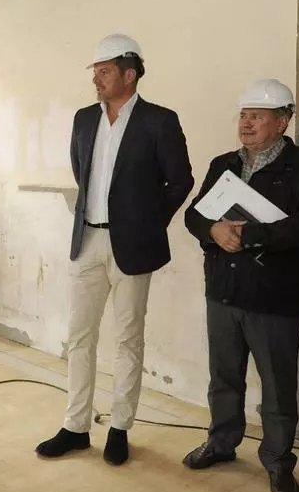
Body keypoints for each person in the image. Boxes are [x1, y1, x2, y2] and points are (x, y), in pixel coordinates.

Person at [37, 33, 194, 465]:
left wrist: (146, 223)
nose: (96, 79)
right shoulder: (84, 119)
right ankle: (75, 426)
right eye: (95, 72)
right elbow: (81, 171)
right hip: (87, 239)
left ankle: (120, 427)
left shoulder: (160, 121)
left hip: (133, 247)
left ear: (129, 74)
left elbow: (180, 180)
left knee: (128, 338)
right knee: (79, 336)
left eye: (104, 71)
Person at [181, 79, 299, 492]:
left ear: (282, 122)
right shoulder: (223, 164)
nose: (246, 124)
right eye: (244, 115)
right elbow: (195, 214)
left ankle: (278, 461)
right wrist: (213, 230)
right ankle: (221, 442)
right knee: (223, 377)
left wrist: (250, 236)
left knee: (278, 387)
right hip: (223, 292)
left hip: (274, 297)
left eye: (258, 116)